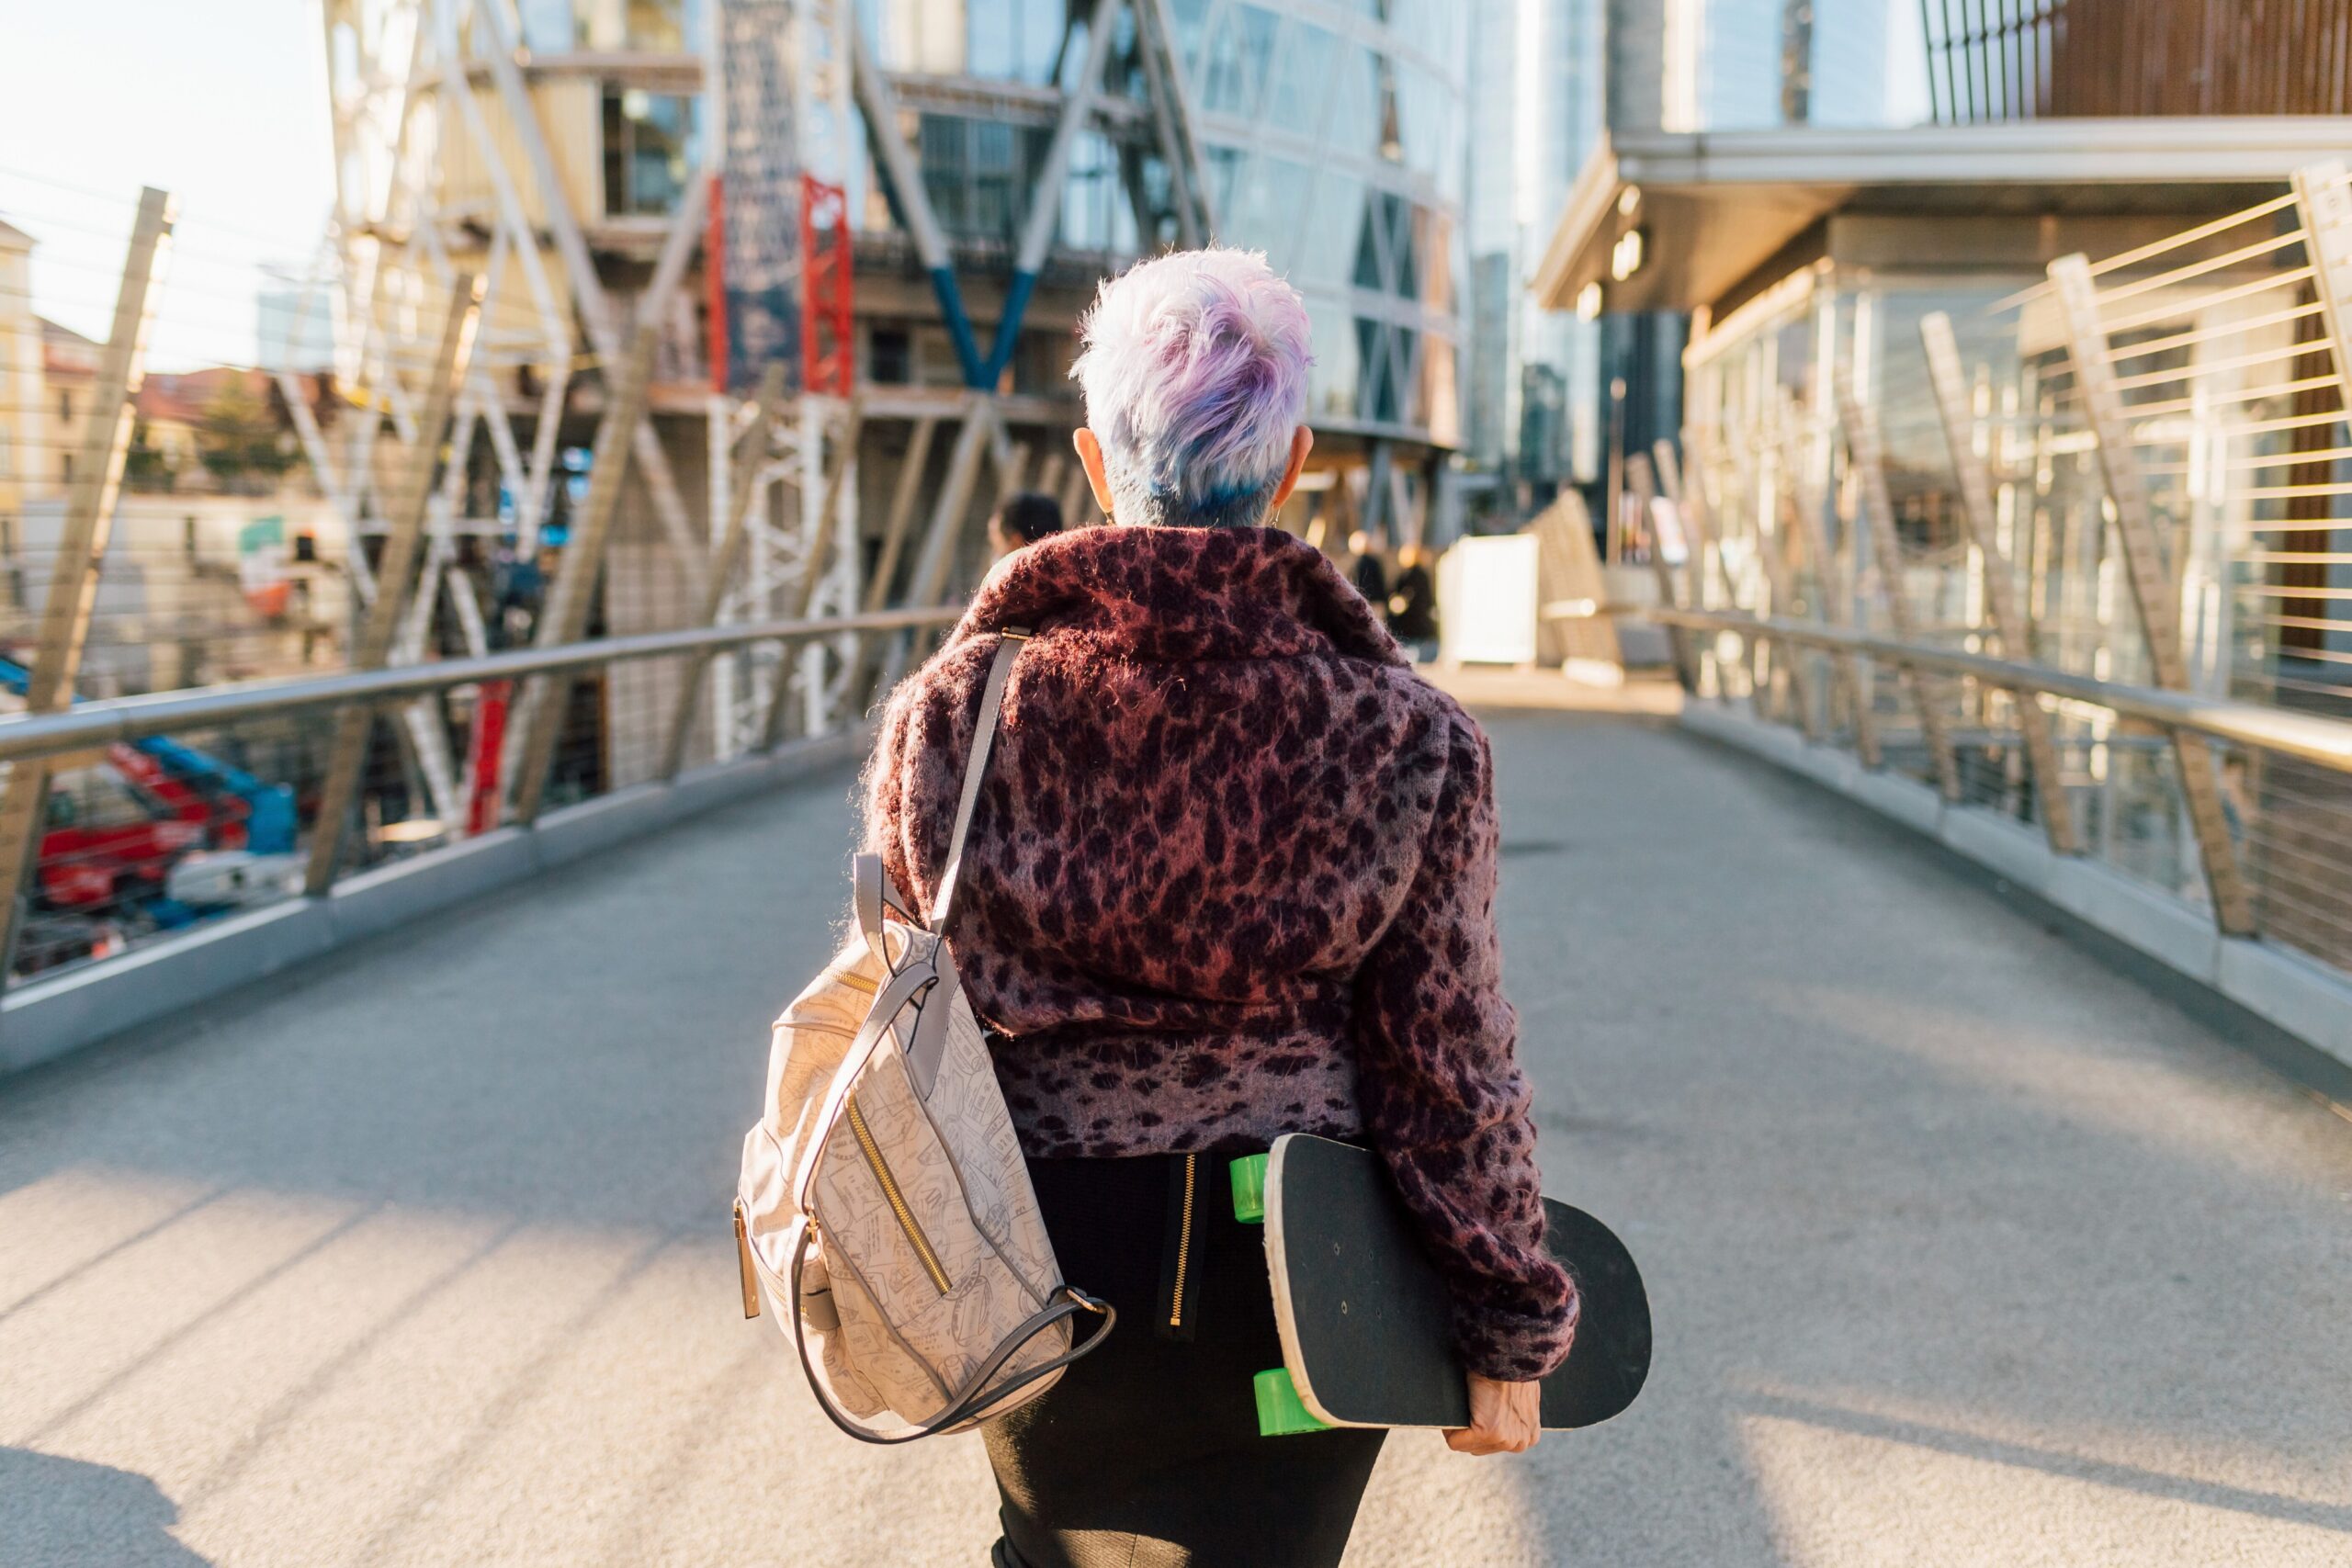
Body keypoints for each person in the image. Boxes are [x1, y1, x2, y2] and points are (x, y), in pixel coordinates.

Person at [864, 248, 1576, 1568]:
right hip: (1304, 1268)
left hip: (1029, 1256)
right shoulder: (1404, 733)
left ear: (1094, 461)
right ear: (1292, 463)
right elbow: (1447, 1059)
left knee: (1048, 1554)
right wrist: (1507, 1316)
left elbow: (908, 1006)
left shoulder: (951, 716)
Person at [1386, 540, 1439, 661]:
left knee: (1409, 649)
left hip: (1408, 619)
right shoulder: (1422, 574)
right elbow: (1428, 598)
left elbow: (1397, 594)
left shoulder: (1406, 575)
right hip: (1419, 618)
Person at [989, 490, 1066, 560]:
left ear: (1015, 542)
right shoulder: (1065, 567)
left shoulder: (1006, 569)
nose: (994, 554)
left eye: (995, 546)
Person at [1347, 527, 1388, 606]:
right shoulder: (1374, 562)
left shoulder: (1354, 564)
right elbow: (1380, 584)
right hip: (1376, 601)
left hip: (1360, 602)